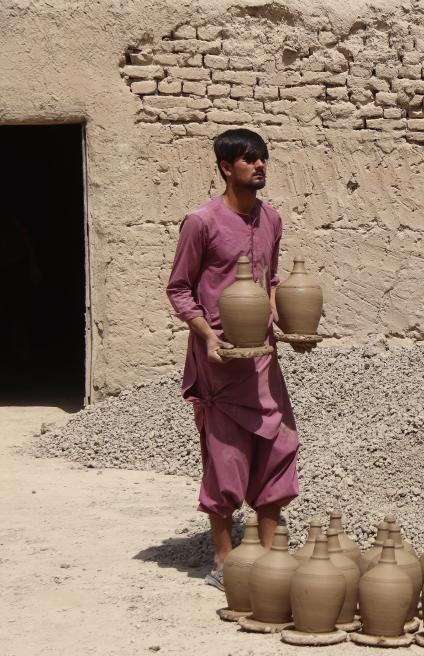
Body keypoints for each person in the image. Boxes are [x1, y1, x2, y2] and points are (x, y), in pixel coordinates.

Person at [166, 128, 312, 591]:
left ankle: (267, 557)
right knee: (226, 458)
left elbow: (268, 283)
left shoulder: (272, 220)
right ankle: (224, 560)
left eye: (263, 158)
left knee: (278, 448)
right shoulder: (201, 222)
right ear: (227, 167)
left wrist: (286, 325)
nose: (260, 166)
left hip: (263, 359)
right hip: (220, 359)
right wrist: (207, 336)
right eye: (249, 160)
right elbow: (179, 289)